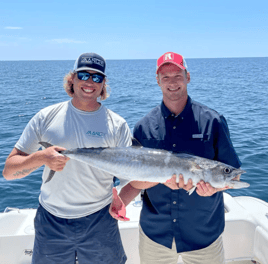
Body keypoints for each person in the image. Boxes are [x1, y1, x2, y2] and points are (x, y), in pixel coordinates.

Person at [110, 52, 242, 264]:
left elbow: (231, 174)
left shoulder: (213, 121)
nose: (172, 82)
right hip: (156, 235)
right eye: (165, 77)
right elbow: (135, 180)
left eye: (177, 75)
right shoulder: (144, 126)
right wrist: (122, 201)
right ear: (157, 81)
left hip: (204, 234)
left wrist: (214, 188)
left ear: (187, 77)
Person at [2, 52, 132, 264]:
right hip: (51, 221)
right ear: (72, 78)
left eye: (97, 77)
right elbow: (8, 171)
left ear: (103, 84)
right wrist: (42, 157)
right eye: (83, 75)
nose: (90, 82)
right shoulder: (46, 117)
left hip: (100, 219)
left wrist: (122, 200)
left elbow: (130, 175)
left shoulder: (117, 124)